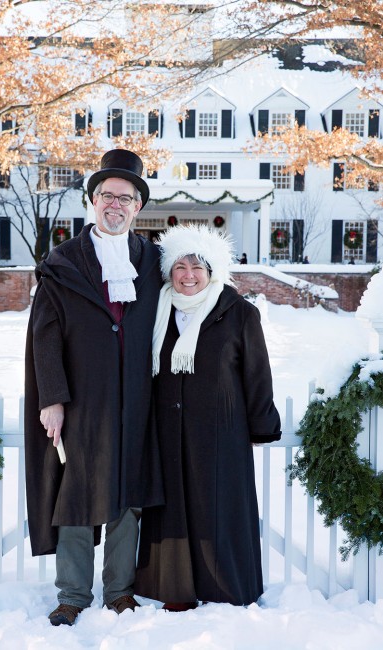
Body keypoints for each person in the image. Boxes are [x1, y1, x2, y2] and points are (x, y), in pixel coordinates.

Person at [24, 149, 164, 627]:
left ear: (138, 207)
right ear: (93, 200)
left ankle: (121, 591)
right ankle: (73, 594)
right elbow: (45, 336)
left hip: (137, 401)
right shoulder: (63, 263)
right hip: (82, 400)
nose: (115, 205)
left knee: (129, 496)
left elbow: (197, 293)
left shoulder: (153, 262)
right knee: (77, 496)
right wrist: (52, 399)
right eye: (107, 195)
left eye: (126, 197)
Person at [135, 224, 281, 610]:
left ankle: (226, 587)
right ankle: (175, 588)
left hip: (221, 434)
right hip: (165, 430)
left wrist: (261, 426)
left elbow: (257, 375)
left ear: (212, 270)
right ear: (169, 271)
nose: (188, 275)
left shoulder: (238, 313)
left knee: (219, 510)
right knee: (172, 510)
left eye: (197, 266)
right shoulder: (154, 311)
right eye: (180, 266)